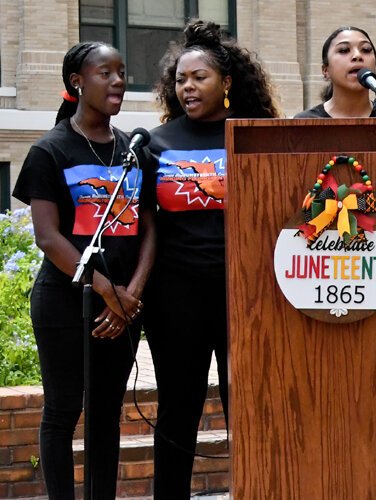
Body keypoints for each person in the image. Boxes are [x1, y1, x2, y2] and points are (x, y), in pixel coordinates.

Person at [144, 20, 279, 497]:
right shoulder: (158, 143)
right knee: (178, 408)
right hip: (175, 297)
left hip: (248, 294)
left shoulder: (257, 135)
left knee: (248, 407)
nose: (187, 87)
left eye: (199, 77)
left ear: (226, 83)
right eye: (181, 79)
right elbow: (147, 223)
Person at [12, 41, 150, 500]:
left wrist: (130, 294)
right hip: (65, 303)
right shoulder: (50, 150)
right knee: (63, 410)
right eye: (104, 73)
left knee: (107, 413)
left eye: (121, 72)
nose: (117, 81)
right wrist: (107, 290)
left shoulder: (134, 150)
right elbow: (49, 237)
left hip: (122, 307)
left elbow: (151, 230)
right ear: (77, 82)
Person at [296, 26, 376, 118]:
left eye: (366, 50)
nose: (357, 56)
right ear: (325, 70)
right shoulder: (303, 123)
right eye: (344, 50)